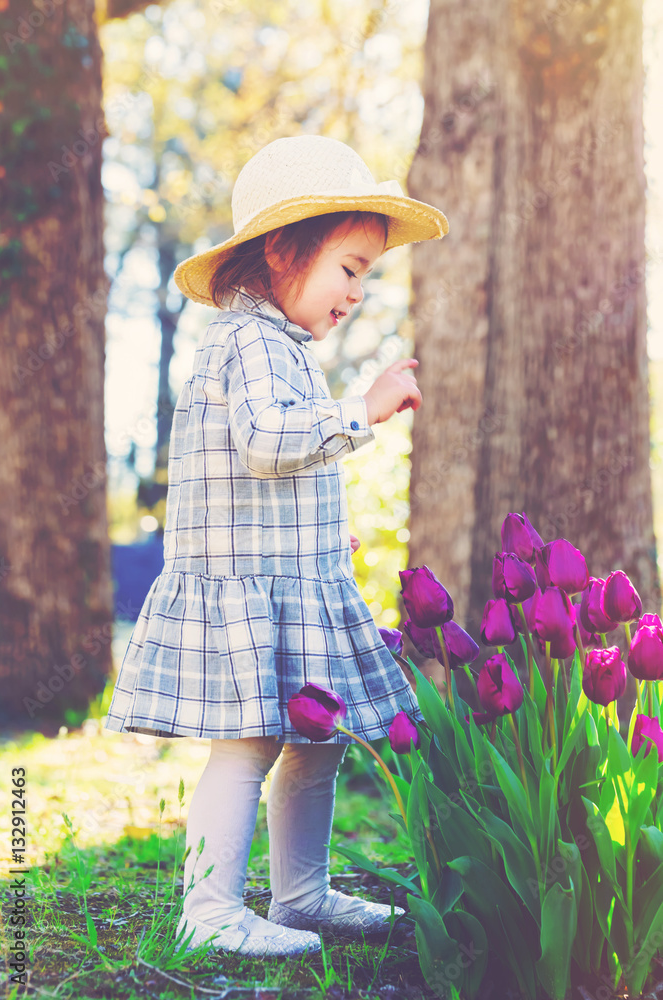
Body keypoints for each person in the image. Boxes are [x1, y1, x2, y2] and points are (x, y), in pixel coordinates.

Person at [104, 134, 448, 957]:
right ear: (283, 251)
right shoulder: (248, 341)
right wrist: (361, 411)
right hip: (247, 587)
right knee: (251, 743)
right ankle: (210, 908)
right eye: (350, 267)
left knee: (315, 739)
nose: (358, 292)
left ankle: (300, 894)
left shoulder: (279, 345)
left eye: (365, 274)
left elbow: (281, 465)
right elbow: (264, 440)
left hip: (292, 580)